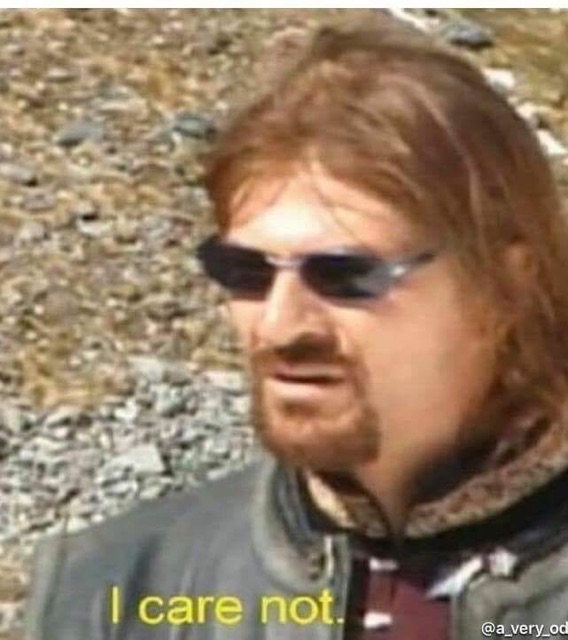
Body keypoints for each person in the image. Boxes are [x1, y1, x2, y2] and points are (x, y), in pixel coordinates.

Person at [25, 20, 568, 640]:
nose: (280, 325)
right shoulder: (123, 591)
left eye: (347, 275)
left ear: (504, 284)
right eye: (246, 272)